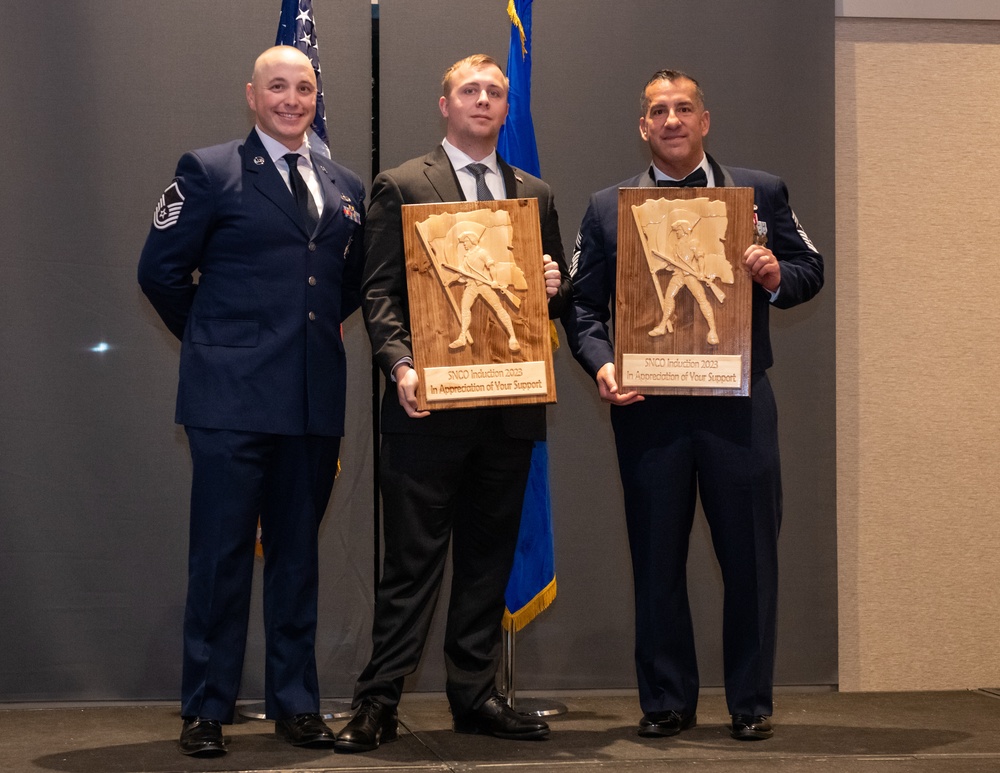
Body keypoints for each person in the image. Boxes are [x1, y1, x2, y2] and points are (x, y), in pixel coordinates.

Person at [564, 69, 823, 742]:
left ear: (705, 120)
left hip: (738, 402)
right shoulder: (605, 208)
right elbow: (583, 308)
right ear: (643, 127)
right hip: (648, 406)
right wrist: (603, 362)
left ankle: (751, 702)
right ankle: (666, 700)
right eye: (658, 110)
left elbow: (809, 270)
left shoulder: (759, 193)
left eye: (684, 108)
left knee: (752, 558)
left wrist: (774, 276)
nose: (672, 119)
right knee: (655, 557)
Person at [334, 53, 570, 753]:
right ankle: (378, 700)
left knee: (488, 558)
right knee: (412, 561)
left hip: (509, 406)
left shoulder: (536, 192)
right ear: (445, 103)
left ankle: (476, 695)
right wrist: (399, 364)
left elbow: (554, 299)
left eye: (495, 92)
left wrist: (556, 281)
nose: (483, 100)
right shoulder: (402, 183)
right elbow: (378, 292)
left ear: (506, 108)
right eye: (470, 90)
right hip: (425, 408)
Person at [137, 45, 365, 757]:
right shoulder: (209, 170)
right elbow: (160, 271)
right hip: (231, 399)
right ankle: (206, 707)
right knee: (222, 556)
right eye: (277, 86)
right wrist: (216, 343)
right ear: (252, 94)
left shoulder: (344, 183)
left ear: (316, 96)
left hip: (309, 399)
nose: (290, 99)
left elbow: (345, 286)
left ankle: (296, 702)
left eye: (303, 87)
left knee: (298, 557)